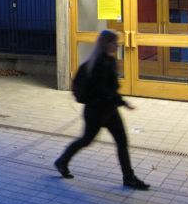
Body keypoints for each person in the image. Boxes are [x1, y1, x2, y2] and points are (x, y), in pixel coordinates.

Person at [54, 30, 150, 190]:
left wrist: (119, 101)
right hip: (96, 112)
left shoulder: (109, 60)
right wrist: (122, 102)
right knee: (86, 140)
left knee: (121, 141)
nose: (117, 45)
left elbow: (110, 89)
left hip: (108, 110)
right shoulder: (99, 64)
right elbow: (104, 90)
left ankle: (129, 177)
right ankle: (62, 161)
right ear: (106, 44)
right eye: (114, 42)